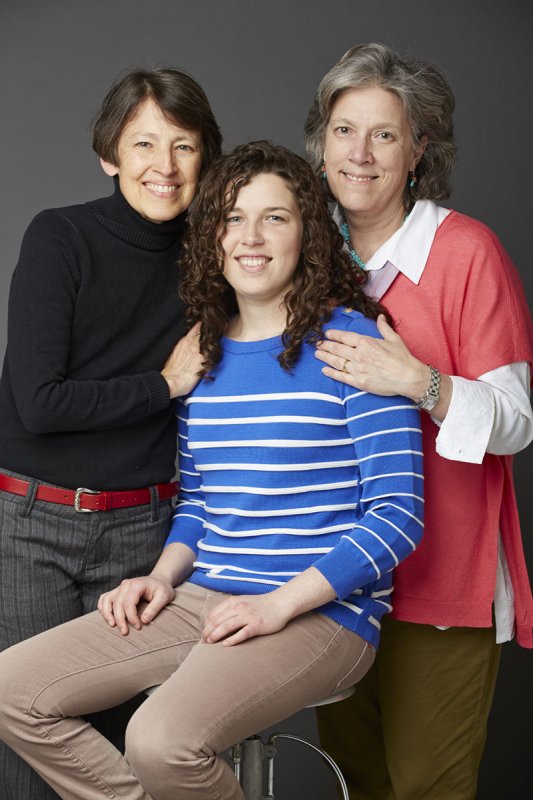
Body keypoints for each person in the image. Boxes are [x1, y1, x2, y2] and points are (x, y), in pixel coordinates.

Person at [0, 141, 424, 800]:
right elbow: (199, 501)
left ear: (307, 233)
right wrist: (160, 578)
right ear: (210, 237)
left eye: (274, 217)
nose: (250, 237)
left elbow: (398, 516)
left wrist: (277, 605)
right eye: (231, 218)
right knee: (12, 690)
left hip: (322, 612)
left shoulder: (353, 344)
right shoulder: (202, 354)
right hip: (204, 598)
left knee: (156, 739)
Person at [304, 42, 533, 800]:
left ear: (418, 150)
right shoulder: (301, 254)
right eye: (343, 130)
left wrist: (419, 382)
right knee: (356, 782)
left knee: (425, 787)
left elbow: (515, 421)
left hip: (445, 582)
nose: (359, 154)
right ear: (320, 140)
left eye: (384, 134)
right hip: (337, 577)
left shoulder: (466, 252)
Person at [0, 67, 221, 799]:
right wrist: (163, 385)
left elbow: (302, 290)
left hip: (143, 532)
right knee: (29, 757)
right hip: (29, 528)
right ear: (109, 153)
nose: (163, 166)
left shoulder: (214, 258)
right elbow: (38, 403)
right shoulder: (60, 237)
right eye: (144, 143)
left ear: (204, 160)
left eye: (183, 146)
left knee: (126, 751)